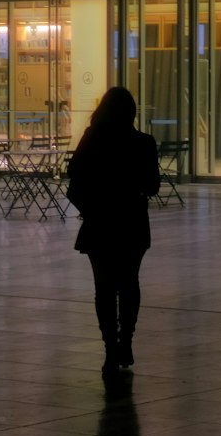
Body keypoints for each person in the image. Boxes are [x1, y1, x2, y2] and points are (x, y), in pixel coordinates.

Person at [66, 87, 160, 379]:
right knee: (129, 283)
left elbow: (75, 176)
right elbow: (153, 186)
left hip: (100, 222)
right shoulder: (144, 143)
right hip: (132, 221)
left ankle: (109, 347)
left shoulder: (92, 139)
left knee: (104, 288)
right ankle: (126, 341)